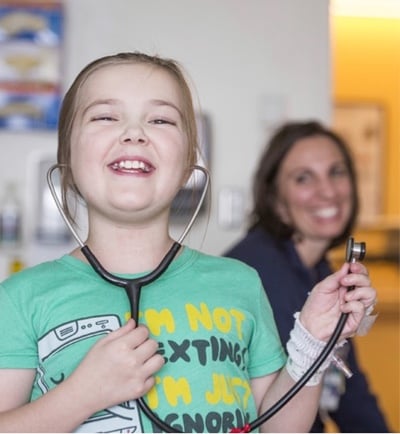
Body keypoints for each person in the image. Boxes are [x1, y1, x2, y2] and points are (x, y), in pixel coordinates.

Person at [0, 54, 376, 434]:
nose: (134, 133)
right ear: (68, 156)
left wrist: (311, 341)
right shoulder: (20, 299)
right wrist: (82, 395)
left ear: (187, 166)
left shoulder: (240, 283)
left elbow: (279, 428)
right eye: (105, 117)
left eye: (161, 119)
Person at [224, 120, 390, 433]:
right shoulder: (258, 272)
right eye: (304, 178)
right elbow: (280, 411)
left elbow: (347, 389)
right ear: (276, 201)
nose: (327, 191)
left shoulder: (320, 270)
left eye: (336, 172)